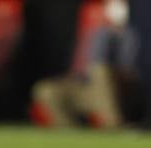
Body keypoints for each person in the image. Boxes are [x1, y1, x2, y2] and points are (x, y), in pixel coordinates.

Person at [31, 0, 140, 129]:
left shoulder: (125, 34)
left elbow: (128, 69)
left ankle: (114, 126)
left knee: (100, 72)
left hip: (111, 91)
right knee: (45, 89)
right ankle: (70, 132)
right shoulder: (79, 29)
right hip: (83, 86)